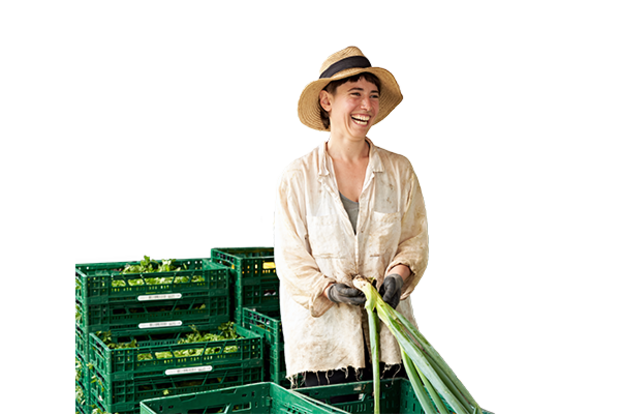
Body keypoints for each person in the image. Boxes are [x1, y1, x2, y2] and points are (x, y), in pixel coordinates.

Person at [273, 45, 429, 391]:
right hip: (323, 350)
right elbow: (290, 259)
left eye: (373, 96)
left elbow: (414, 240)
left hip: (390, 344)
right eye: (355, 94)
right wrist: (328, 289)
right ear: (327, 101)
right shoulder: (296, 178)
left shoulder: (400, 171)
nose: (367, 106)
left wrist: (398, 275)